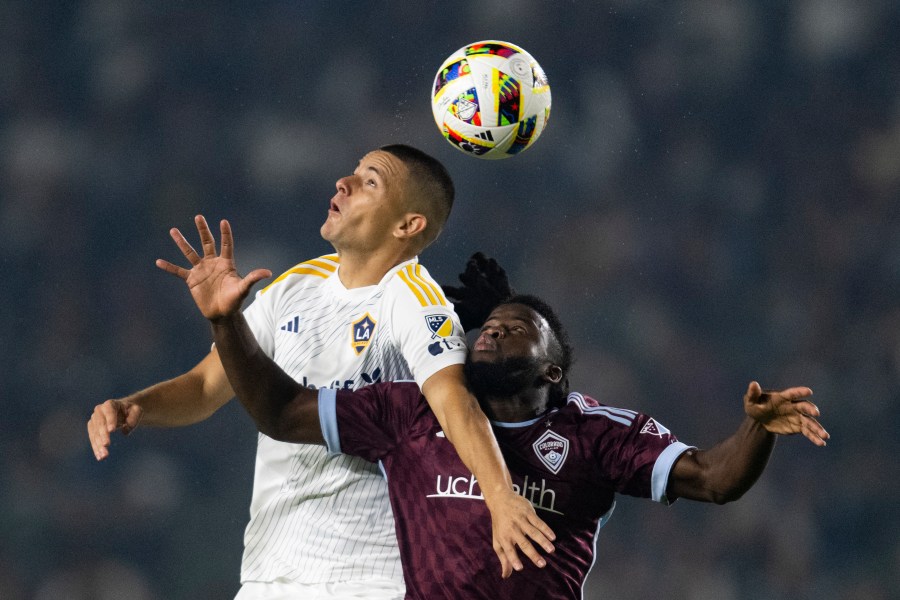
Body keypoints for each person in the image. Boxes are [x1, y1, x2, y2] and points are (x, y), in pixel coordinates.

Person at [162, 219, 829, 599]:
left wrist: (755, 429)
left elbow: (714, 479)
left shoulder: (594, 434)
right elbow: (281, 412)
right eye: (490, 322)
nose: (496, 327)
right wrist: (228, 324)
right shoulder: (414, 414)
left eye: (519, 324)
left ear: (554, 369)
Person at [87, 144, 554, 600]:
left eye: (370, 181)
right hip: (270, 573)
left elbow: (456, 404)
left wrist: (501, 498)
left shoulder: (414, 299)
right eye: (353, 171)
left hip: (369, 576)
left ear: (408, 224)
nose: (344, 183)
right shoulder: (296, 284)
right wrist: (135, 406)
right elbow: (207, 385)